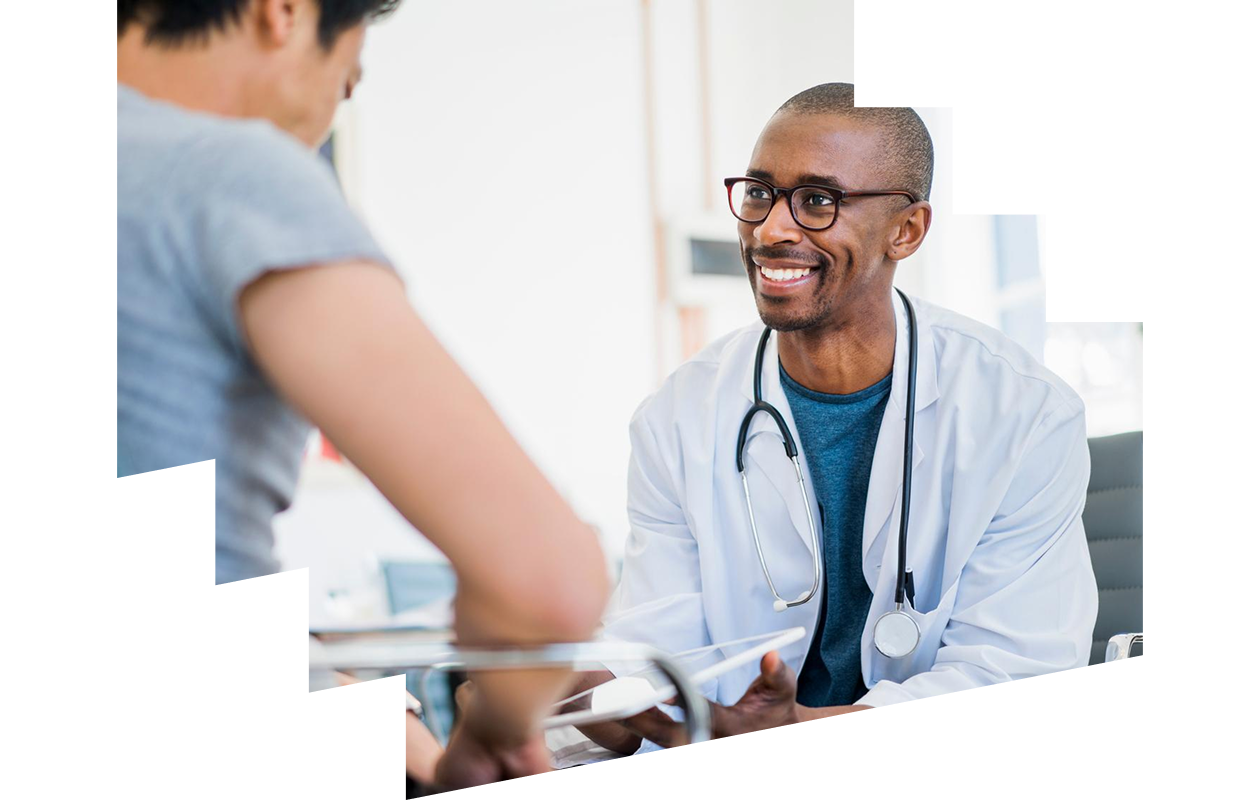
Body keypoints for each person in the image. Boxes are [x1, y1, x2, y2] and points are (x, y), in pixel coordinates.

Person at [117, 0, 609, 787]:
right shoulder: (229, 172)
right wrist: (493, 734)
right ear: (283, 13)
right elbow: (547, 585)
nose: (321, 121)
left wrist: (385, 727)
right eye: (344, 81)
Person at [569, 83, 1098, 758]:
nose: (770, 230)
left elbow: (1015, 685)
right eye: (759, 192)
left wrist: (805, 736)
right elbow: (657, 650)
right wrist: (590, 689)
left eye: (817, 201)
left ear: (906, 230)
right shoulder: (678, 418)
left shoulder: (1021, 413)